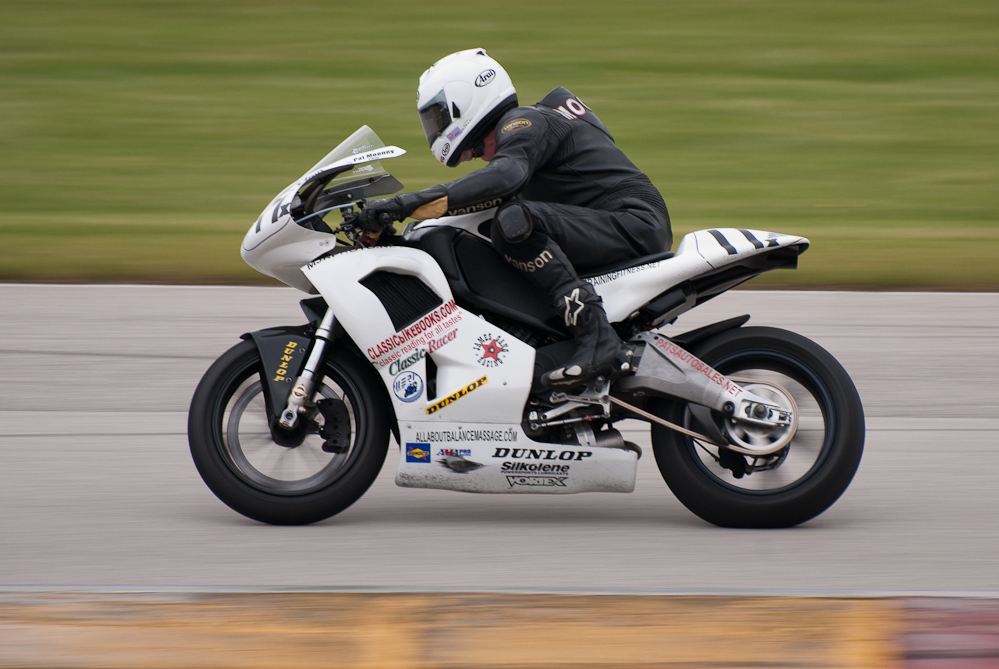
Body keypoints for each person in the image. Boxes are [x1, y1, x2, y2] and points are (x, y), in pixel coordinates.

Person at [359, 48, 671, 387]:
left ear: (464, 101)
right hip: (609, 223)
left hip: (632, 222)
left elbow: (504, 177)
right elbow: (479, 195)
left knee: (513, 222)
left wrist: (403, 203)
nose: (435, 128)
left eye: (437, 117)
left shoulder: (525, 122)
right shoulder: (520, 138)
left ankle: (596, 334)